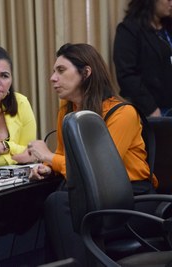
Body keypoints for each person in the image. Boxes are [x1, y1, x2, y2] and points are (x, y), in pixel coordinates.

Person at [27, 43, 159, 265]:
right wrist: (47, 168)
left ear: (86, 73)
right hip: (94, 199)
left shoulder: (123, 113)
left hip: (133, 199)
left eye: (61, 70)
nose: (52, 78)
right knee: (52, 202)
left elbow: (102, 176)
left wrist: (48, 157)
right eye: (53, 71)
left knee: (60, 205)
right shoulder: (67, 111)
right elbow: (64, 158)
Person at [113, 0, 172, 117]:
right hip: (151, 111)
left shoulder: (168, 27)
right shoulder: (129, 30)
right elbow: (126, 74)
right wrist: (151, 108)